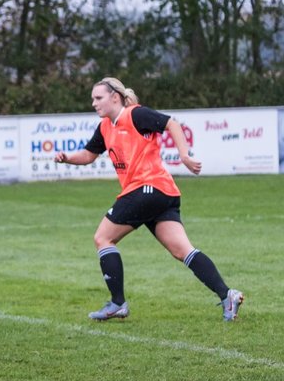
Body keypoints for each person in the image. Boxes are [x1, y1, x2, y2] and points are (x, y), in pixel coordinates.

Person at [54, 77, 244, 321]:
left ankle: (117, 303)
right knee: (182, 250)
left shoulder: (134, 115)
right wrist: (67, 157)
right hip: (164, 193)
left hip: (147, 188)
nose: (93, 103)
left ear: (115, 97)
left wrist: (184, 156)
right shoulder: (105, 127)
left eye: (98, 98)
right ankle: (227, 295)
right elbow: (89, 154)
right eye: (93, 98)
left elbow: (172, 124)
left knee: (103, 238)